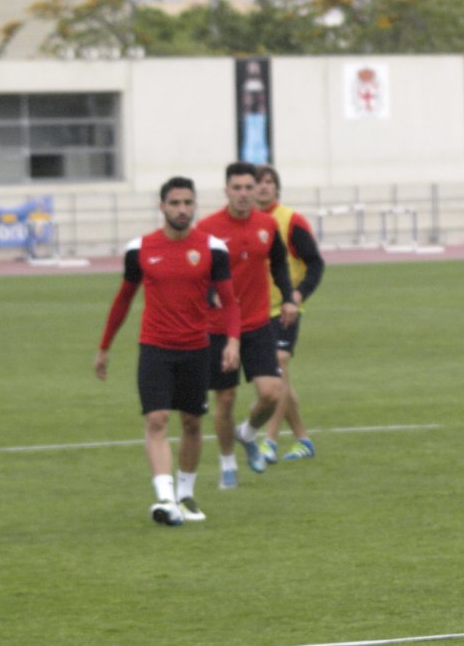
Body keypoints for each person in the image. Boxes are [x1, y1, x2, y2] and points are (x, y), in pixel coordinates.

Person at [94, 176, 241, 525]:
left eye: (188, 203)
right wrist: (104, 347)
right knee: (157, 419)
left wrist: (233, 340)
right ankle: (164, 499)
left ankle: (184, 495)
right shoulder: (140, 249)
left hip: (197, 348)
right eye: (174, 203)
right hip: (155, 348)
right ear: (162, 206)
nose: (182, 209)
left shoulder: (213, 248)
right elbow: (123, 300)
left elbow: (231, 301)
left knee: (192, 423)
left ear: (194, 206)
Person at [198, 162, 298, 489]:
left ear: (257, 190)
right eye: (236, 188)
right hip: (219, 327)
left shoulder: (267, 225)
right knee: (225, 399)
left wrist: (287, 297)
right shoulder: (208, 228)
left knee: (271, 393)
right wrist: (211, 292)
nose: (243, 194)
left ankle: (248, 433)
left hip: (256, 323)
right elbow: (198, 271)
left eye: (248, 188)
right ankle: (228, 464)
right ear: (226, 190)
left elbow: (280, 263)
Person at [252, 165, 325, 463]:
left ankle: (268, 440)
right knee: (281, 380)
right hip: (255, 311)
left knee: (278, 368)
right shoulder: (247, 224)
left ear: (277, 189)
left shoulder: (291, 221)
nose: (262, 187)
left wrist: (297, 295)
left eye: (269, 182)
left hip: (284, 311)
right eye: (257, 183)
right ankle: (303, 439)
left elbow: (315, 263)